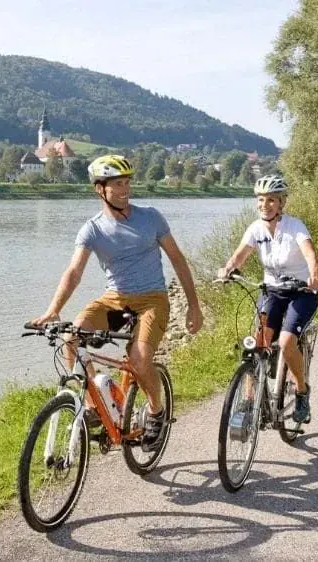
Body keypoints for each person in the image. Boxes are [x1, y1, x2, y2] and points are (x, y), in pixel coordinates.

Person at [30, 154, 203, 452]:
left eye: (127, 183)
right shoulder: (93, 229)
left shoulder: (151, 217)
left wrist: (194, 305)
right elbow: (74, 272)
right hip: (115, 299)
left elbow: (178, 260)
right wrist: (53, 309)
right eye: (117, 184)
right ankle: (96, 404)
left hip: (153, 299)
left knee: (138, 358)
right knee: (72, 337)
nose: (125, 189)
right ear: (100, 189)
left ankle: (156, 411)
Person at [217, 175, 318, 423]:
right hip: (272, 292)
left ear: (281, 202)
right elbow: (239, 256)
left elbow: (309, 253)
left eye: (271, 200)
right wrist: (227, 269)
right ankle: (249, 400)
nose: (265, 205)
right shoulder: (255, 229)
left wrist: (314, 277)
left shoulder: (295, 226)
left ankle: (302, 392)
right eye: (261, 200)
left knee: (286, 342)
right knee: (256, 344)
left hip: (301, 293)